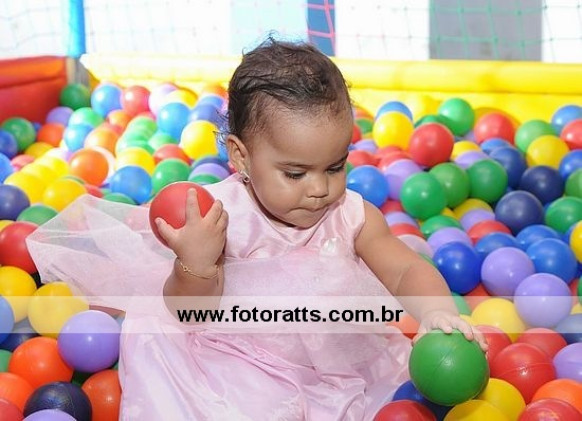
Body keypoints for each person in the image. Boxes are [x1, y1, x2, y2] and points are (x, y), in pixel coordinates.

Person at [29, 38, 487, 420]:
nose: (320, 189)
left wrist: (435, 313)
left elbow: (405, 269)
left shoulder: (351, 214)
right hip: (237, 361)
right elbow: (190, 312)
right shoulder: (220, 217)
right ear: (241, 157)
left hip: (332, 359)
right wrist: (196, 263)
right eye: (295, 173)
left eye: (335, 166)